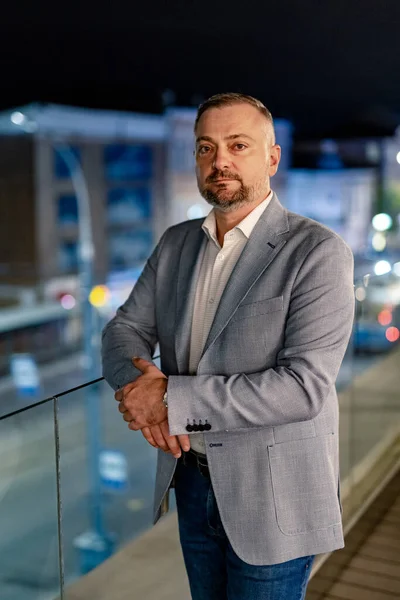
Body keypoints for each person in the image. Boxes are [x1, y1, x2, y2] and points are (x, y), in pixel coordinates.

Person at [102, 92, 355, 600]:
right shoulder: (176, 244)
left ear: (272, 157)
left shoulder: (318, 251)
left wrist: (170, 401)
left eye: (238, 145)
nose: (220, 161)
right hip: (192, 481)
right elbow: (121, 331)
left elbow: (302, 389)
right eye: (205, 148)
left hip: (273, 492)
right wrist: (141, 389)